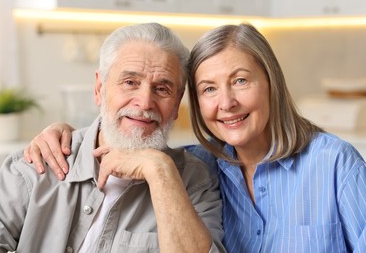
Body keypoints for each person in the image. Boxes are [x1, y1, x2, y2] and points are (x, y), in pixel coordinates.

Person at [25, 23, 366, 252]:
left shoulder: (335, 163)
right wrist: (66, 134)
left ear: (272, 83)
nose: (227, 102)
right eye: (208, 89)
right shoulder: (196, 170)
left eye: (241, 80)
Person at [0, 23, 225, 252]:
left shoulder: (195, 182)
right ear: (99, 89)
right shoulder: (38, 164)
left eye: (162, 88)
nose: (145, 102)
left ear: (177, 103)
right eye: (130, 82)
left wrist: (159, 171)